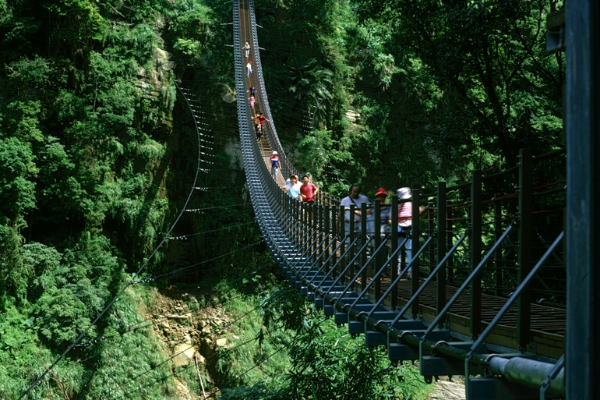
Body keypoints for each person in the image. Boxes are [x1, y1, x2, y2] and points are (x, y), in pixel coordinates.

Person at [397, 187, 413, 278]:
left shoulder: (410, 204)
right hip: (398, 229)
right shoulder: (396, 205)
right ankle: (397, 270)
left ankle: (410, 272)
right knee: (397, 251)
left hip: (408, 227)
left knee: (410, 250)